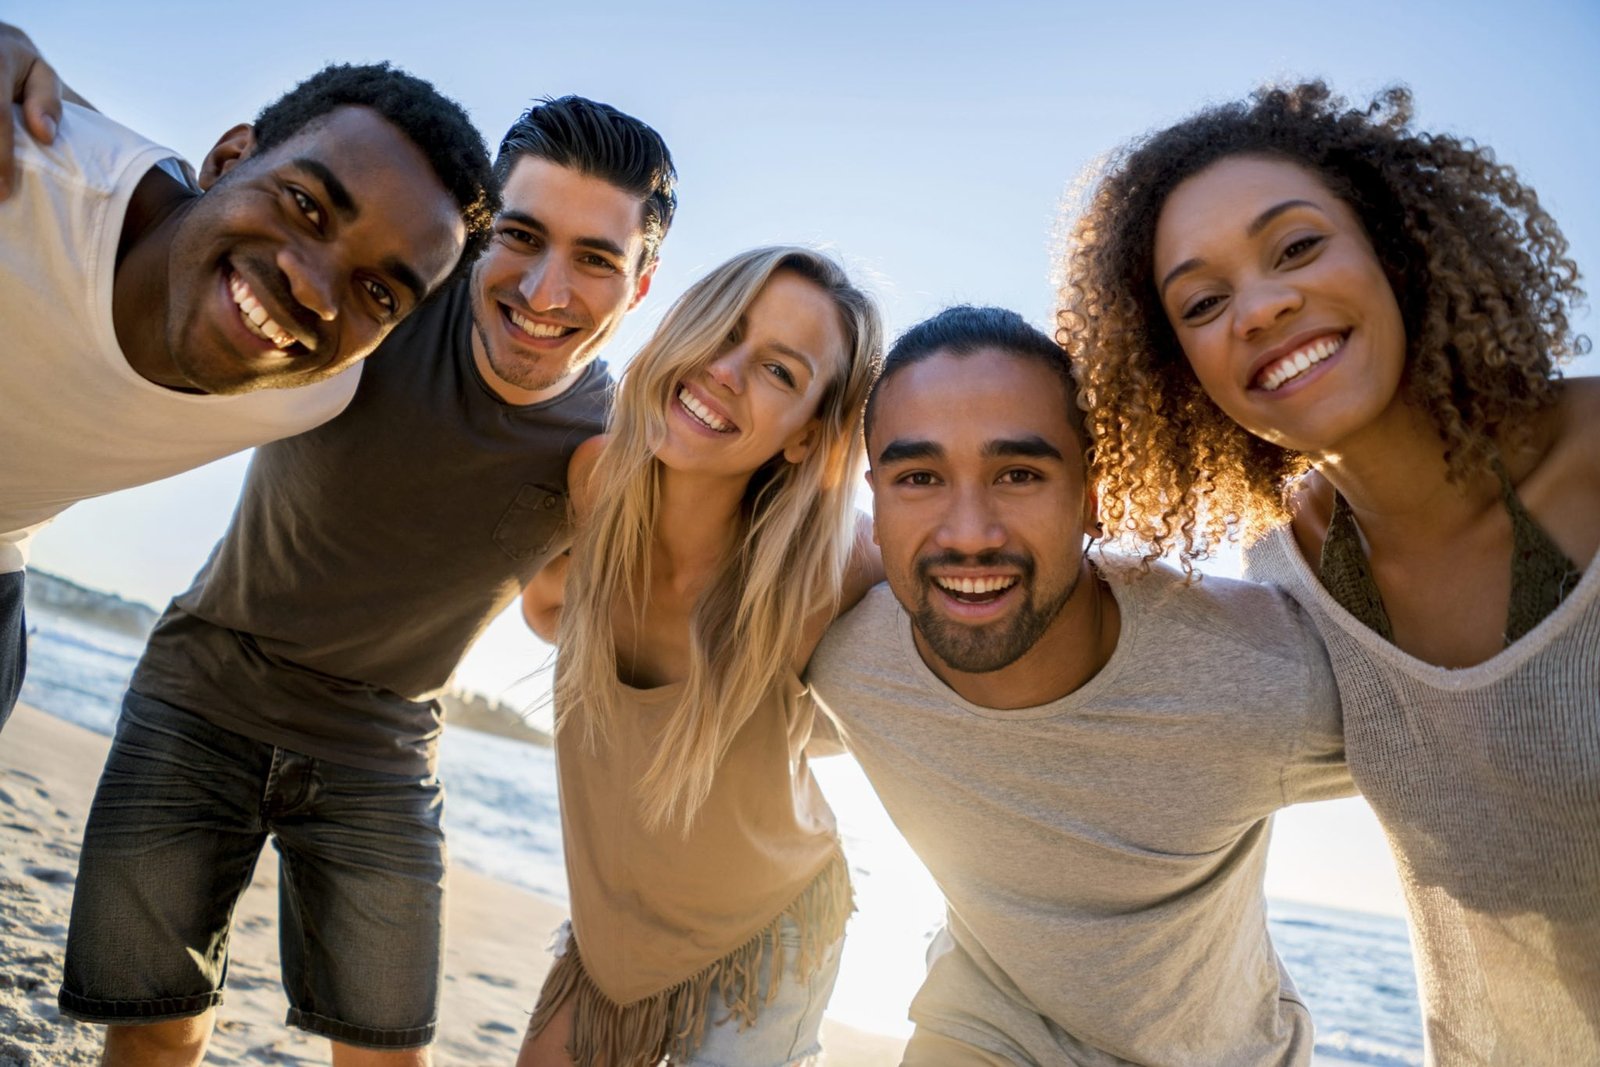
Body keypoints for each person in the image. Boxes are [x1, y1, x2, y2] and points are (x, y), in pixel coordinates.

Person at [55, 96, 675, 1067]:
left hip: (378, 752)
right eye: (521, 236)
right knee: (157, 1026)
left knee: (387, 1055)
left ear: (639, 284)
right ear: (479, 232)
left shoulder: (611, 450)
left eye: (595, 257)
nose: (546, 290)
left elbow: (564, 609)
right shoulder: (378, 300)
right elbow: (180, 205)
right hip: (203, 691)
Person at [1059, 81, 1600, 1061]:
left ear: (1394, 243)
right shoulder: (1287, 569)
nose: (1262, 307)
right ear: (1178, 369)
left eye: (1297, 246)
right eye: (1203, 302)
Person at [806, 306, 1352, 1066]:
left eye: (1019, 474)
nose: (969, 533)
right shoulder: (845, 658)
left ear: (1093, 494)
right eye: (919, 478)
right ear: (877, 499)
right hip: (983, 1027)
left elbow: (1464, 752)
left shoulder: (1261, 677)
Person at [0, 22, 495, 731]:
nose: (315, 288)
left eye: (378, 292)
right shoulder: (26, 179)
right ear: (228, 158)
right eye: (306, 206)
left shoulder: (318, 387)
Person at [517, 246, 882, 1067]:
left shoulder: (830, 567)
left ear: (807, 437)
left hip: (770, 931)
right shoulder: (593, 481)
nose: (724, 370)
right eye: (723, 329)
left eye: (780, 371)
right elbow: (545, 610)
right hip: (614, 925)